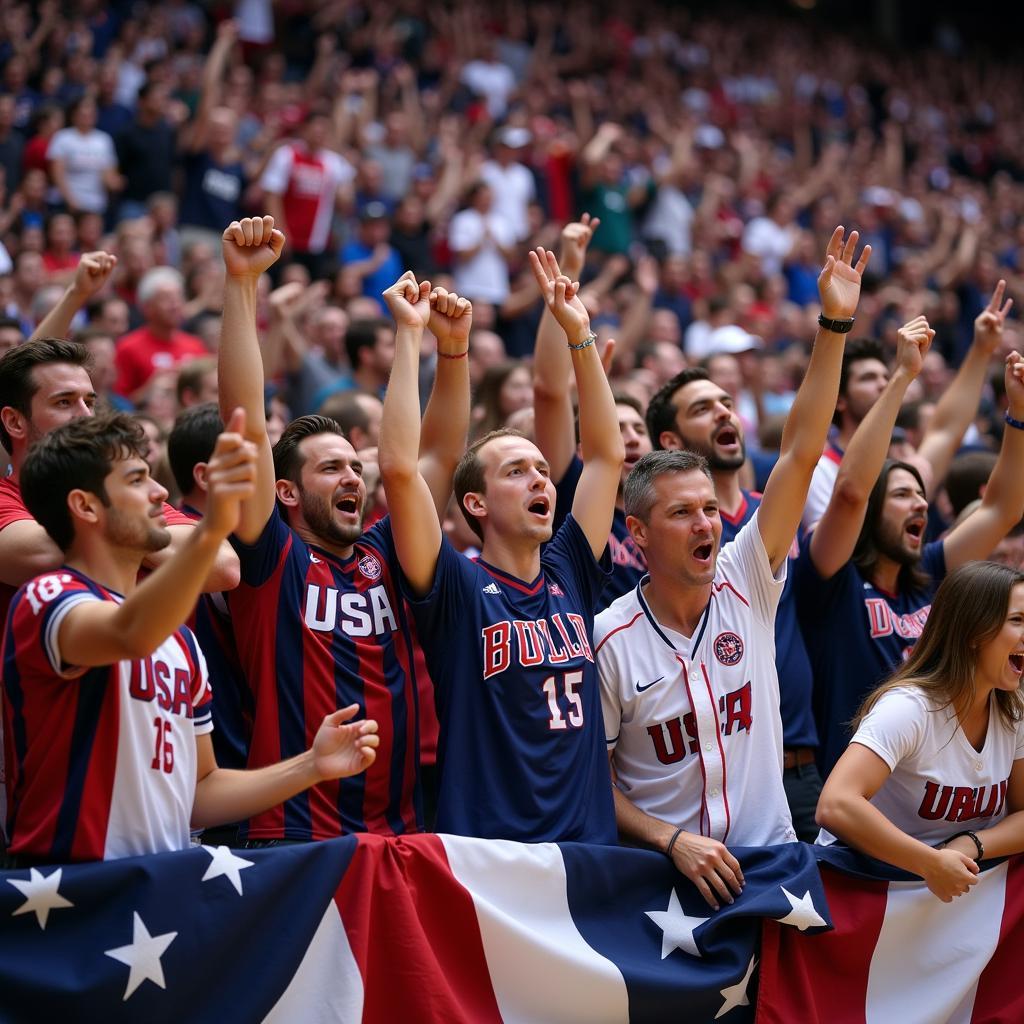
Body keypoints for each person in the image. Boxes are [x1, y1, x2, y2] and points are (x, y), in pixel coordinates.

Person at [595, 227, 871, 908]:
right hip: (665, 882)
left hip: (773, 861)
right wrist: (667, 838)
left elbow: (802, 451)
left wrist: (833, 324)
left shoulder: (745, 574)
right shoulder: (607, 638)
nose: (706, 523)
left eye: (708, 510)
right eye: (682, 514)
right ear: (638, 532)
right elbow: (592, 781)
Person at [2, 411, 378, 864]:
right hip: (71, 889)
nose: (160, 491)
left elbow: (200, 790)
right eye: (138, 478)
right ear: (86, 506)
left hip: (157, 891)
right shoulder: (46, 598)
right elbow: (128, 634)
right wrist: (212, 528)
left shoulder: (180, 640)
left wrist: (310, 766)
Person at [217, 216, 466, 843]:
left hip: (402, 832)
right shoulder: (272, 556)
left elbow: (433, 457)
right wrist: (242, 285)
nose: (354, 477)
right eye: (331, 468)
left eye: (357, 466)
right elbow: (245, 423)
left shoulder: (387, 547)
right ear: (286, 492)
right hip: (293, 834)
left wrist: (449, 349)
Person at [379, 251, 624, 844]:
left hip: (588, 842)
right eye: (517, 472)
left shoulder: (569, 567)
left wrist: (581, 336)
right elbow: (401, 470)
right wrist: (414, 337)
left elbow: (607, 456)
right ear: (476, 505)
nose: (542, 479)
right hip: (491, 852)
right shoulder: (456, 588)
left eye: (542, 469)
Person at [796, 320, 1024, 777]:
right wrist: (900, 377)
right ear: (873, 510)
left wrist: (1018, 417)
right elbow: (850, 493)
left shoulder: (929, 569)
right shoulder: (830, 578)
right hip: (858, 785)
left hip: (934, 785)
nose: (920, 501)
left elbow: (1002, 509)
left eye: (920, 494)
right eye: (901, 494)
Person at [816, 561, 1024, 903]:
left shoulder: (1013, 712)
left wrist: (970, 844)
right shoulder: (909, 708)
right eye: (1017, 620)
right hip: (864, 891)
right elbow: (836, 804)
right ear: (974, 632)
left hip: (940, 894)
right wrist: (930, 863)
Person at [533, 213, 652, 605]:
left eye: (638, 429)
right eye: (619, 429)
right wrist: (568, 275)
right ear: (583, 450)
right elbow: (549, 392)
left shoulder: (669, 515)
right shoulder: (574, 493)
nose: (630, 437)